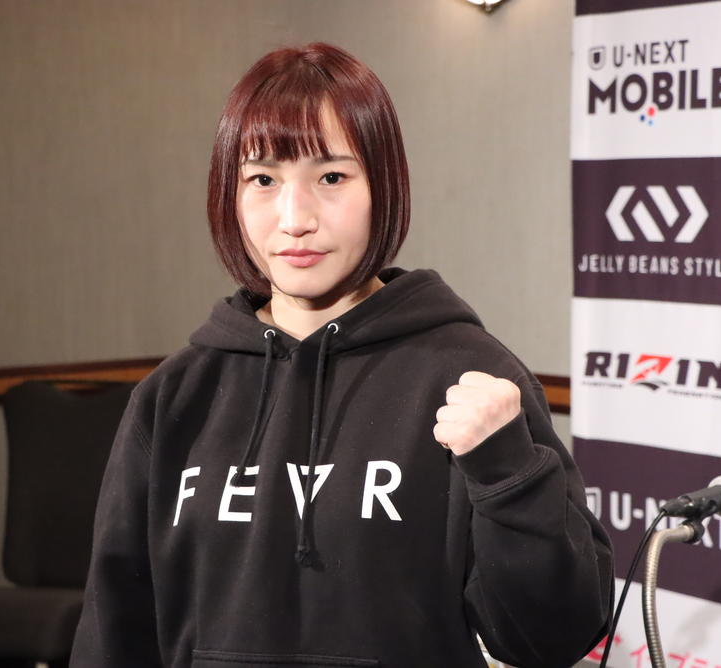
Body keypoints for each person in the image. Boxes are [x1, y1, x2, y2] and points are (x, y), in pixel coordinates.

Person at [70, 42, 613, 668]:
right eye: (263, 180)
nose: (295, 218)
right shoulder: (174, 396)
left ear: (383, 186)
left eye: (331, 177)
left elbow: (552, 638)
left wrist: (507, 473)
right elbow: (113, 631)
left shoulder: (470, 377)